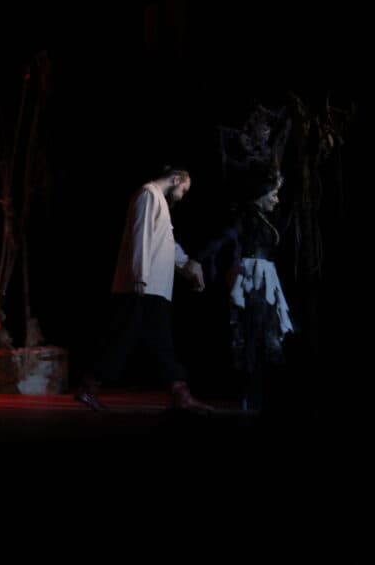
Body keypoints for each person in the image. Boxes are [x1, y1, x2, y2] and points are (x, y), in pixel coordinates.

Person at [75, 165, 214, 414]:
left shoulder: (158, 200)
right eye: (184, 190)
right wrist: (140, 274)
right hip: (143, 286)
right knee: (125, 339)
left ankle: (178, 392)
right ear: (175, 179)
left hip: (155, 287)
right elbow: (141, 235)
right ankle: (90, 386)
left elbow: (166, 243)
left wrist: (188, 267)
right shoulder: (149, 194)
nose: (183, 196)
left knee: (153, 341)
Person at [199, 164, 293, 412]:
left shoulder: (265, 219)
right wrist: (198, 261)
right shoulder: (246, 220)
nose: (276, 199)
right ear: (260, 195)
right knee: (253, 335)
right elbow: (223, 239)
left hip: (266, 282)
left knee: (265, 336)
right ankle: (250, 397)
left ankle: (260, 397)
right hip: (253, 283)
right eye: (273, 194)